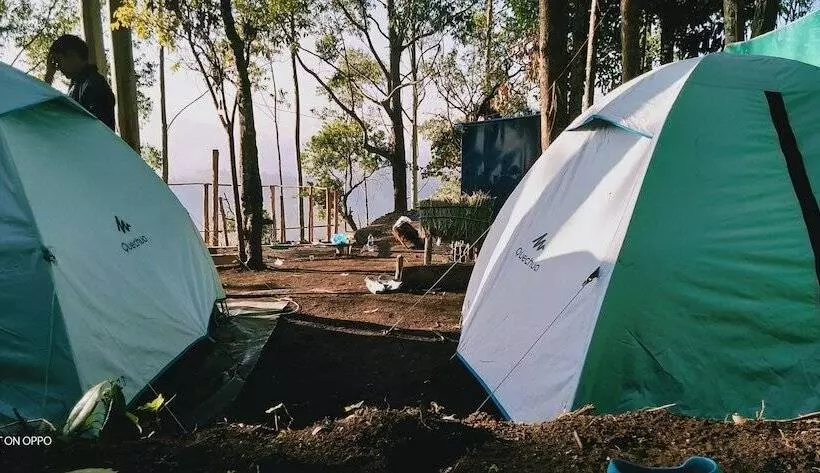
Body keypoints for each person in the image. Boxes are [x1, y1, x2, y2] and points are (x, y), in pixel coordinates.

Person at [44, 34, 116, 131]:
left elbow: (92, 128)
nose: (58, 68)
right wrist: (49, 75)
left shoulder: (93, 84)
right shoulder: (78, 85)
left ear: (71, 55)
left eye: (59, 61)